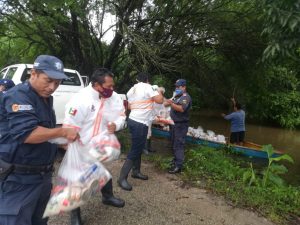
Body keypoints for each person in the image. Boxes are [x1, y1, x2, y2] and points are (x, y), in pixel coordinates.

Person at [0, 55, 78, 225]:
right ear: (33, 73)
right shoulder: (18, 96)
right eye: (48, 80)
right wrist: (63, 131)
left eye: (57, 83)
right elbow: (28, 134)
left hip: (43, 176)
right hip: (18, 179)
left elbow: (46, 131)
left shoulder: (45, 98)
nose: (52, 87)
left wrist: (61, 142)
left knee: (40, 220)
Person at [63, 68, 126, 225]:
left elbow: (122, 116)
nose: (112, 90)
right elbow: (70, 125)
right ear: (97, 84)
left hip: (102, 144)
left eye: (113, 86)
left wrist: (116, 125)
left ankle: (107, 196)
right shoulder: (80, 99)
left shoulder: (114, 98)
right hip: (82, 145)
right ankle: (74, 215)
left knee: (103, 170)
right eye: (108, 86)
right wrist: (71, 146)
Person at [118, 72, 164, 191]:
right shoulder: (148, 87)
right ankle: (122, 178)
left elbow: (129, 106)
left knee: (137, 147)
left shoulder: (132, 89)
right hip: (140, 123)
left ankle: (136, 171)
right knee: (135, 149)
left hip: (133, 120)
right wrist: (157, 89)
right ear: (147, 80)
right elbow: (160, 100)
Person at [165, 79, 192, 174]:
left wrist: (171, 103)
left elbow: (181, 109)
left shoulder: (186, 97)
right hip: (173, 123)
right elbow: (165, 103)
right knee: (173, 143)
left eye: (178, 87)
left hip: (181, 125)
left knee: (178, 144)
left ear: (184, 87)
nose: (176, 88)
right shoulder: (176, 96)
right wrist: (166, 101)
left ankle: (178, 166)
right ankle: (176, 160)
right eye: (176, 86)